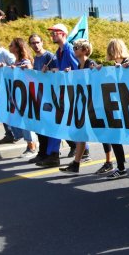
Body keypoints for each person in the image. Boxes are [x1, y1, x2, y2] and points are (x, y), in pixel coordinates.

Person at [36, 23, 88, 167]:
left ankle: (55, 154)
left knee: (60, 122)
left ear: (63, 34)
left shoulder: (69, 49)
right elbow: (61, 69)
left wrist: (66, 71)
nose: (52, 35)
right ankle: (80, 150)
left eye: (55, 33)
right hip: (63, 93)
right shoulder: (58, 52)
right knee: (63, 123)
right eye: (51, 33)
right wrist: (52, 69)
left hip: (71, 93)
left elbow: (79, 69)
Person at [96, 39, 129, 180]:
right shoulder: (114, 66)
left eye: (111, 50)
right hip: (116, 107)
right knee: (115, 137)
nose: (109, 53)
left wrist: (126, 68)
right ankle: (121, 168)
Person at [59, 39, 98, 174]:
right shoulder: (79, 67)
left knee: (104, 135)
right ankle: (76, 164)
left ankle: (110, 162)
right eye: (74, 47)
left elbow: (95, 80)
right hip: (84, 105)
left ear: (85, 50)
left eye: (77, 47)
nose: (74, 49)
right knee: (80, 133)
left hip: (93, 106)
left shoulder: (90, 64)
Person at [26, 33, 60, 166]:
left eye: (37, 42)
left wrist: (49, 70)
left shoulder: (50, 56)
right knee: (40, 127)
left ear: (42, 42)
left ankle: (51, 154)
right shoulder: (36, 58)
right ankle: (43, 153)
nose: (35, 45)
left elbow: (58, 72)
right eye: (33, 43)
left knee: (48, 127)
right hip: (40, 97)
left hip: (50, 97)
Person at [7, 37, 37, 158]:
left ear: (18, 47)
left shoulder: (25, 61)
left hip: (26, 95)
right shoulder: (16, 61)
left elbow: (30, 73)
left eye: (12, 44)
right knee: (19, 119)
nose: (9, 46)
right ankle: (29, 144)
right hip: (18, 95)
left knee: (26, 121)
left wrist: (19, 69)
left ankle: (32, 146)